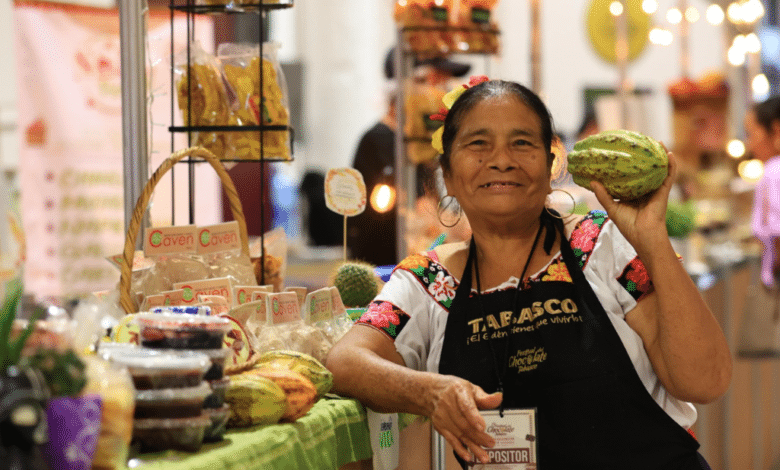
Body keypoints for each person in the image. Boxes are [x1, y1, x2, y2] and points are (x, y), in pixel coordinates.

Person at [326, 79, 732, 469]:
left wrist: (653, 241)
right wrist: (429, 392)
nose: (501, 160)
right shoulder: (428, 283)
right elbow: (345, 361)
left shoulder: (601, 246)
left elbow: (705, 381)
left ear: (551, 164)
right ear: (447, 174)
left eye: (522, 143)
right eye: (478, 144)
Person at [348, 48, 470, 266]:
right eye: (431, 83)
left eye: (443, 84)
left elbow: (431, 205)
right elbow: (419, 209)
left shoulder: (420, 142)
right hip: (385, 267)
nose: (441, 92)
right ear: (406, 88)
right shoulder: (381, 141)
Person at [746, 96, 780, 287]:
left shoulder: (774, 170)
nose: (750, 144)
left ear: (775, 130)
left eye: (751, 133)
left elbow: (776, 230)